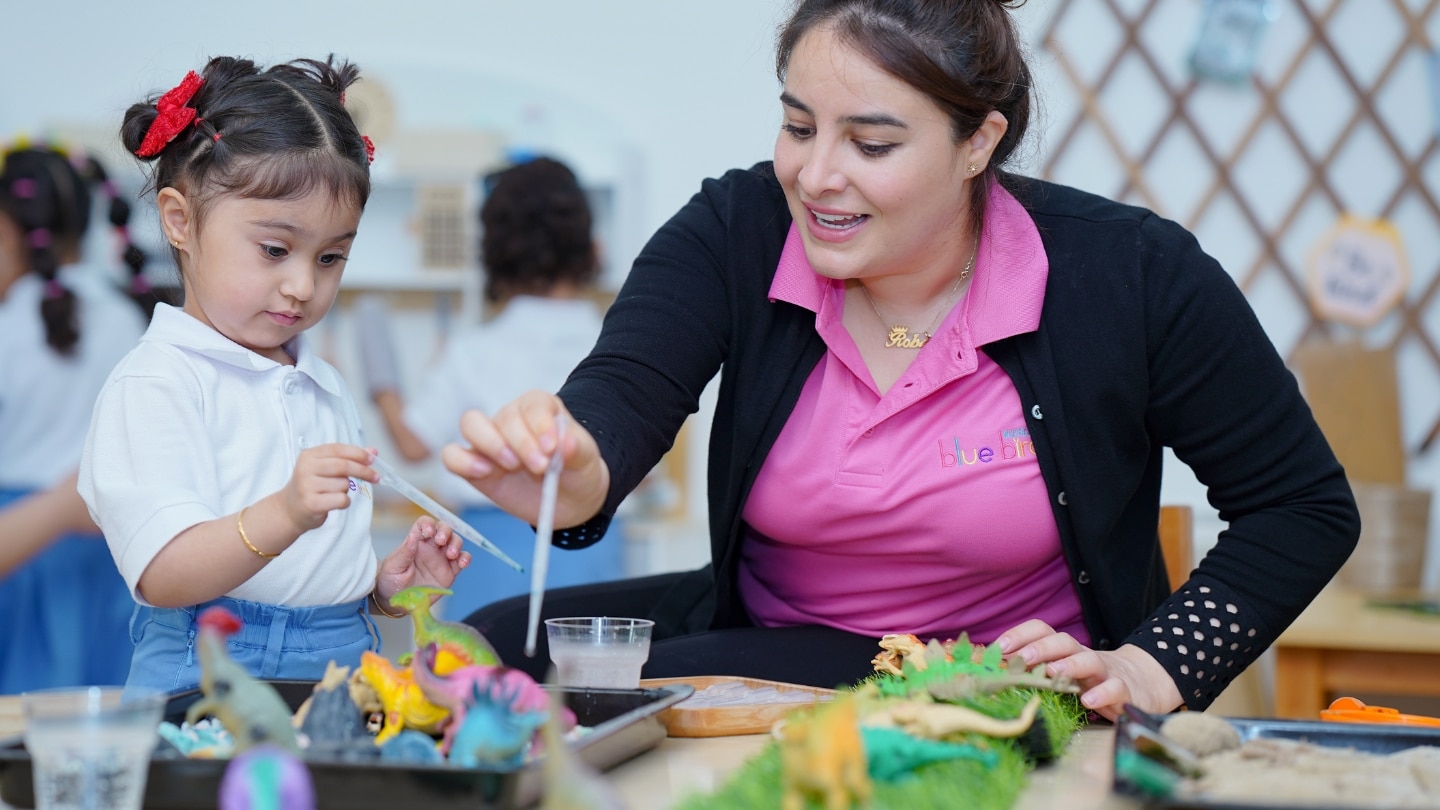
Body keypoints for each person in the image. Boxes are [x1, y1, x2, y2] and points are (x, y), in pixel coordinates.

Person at [442, 0, 1360, 720]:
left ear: (979, 143)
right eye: (799, 128)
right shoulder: (738, 229)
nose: (815, 175)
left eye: (871, 144)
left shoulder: (1132, 276)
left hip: (1004, 690)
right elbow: (625, 391)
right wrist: (574, 465)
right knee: (479, 654)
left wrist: (1154, 665)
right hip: (759, 641)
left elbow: (1301, 507)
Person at [78, 55, 471, 694]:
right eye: (274, 250)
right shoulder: (156, 383)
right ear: (180, 221)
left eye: (331, 256)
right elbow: (162, 574)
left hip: (344, 657)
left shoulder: (323, 382)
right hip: (210, 665)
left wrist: (382, 590)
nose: (302, 285)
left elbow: (304, 573)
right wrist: (287, 510)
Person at [362, 156, 624, 622]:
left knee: (479, 684)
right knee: (586, 686)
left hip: (490, 559)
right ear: (588, 243)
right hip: (593, 549)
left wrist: (381, 382)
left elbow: (412, 445)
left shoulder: (474, 351)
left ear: (495, 248)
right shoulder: (619, 344)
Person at [0, 143, 153, 692]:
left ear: (11, 232)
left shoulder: (9, 325)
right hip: (115, 558)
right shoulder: (129, 317)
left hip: (21, 550)